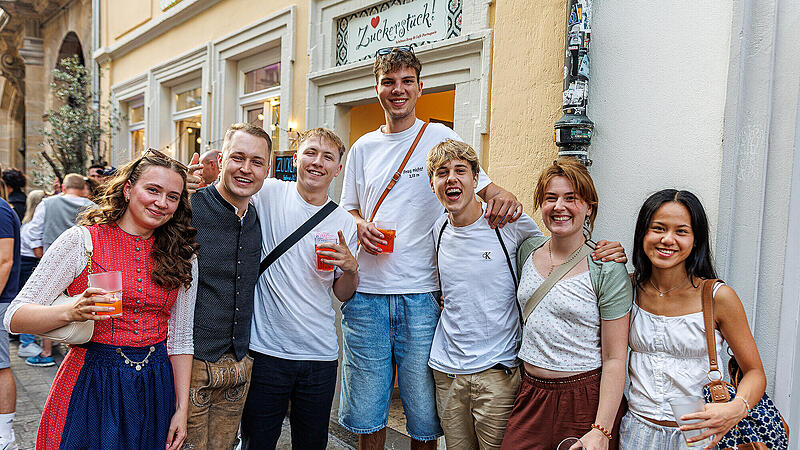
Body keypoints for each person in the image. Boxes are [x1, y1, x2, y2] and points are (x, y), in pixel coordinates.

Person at [339, 46, 522, 450]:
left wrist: (505, 192)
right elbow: (347, 209)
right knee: (369, 414)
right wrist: (359, 223)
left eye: (407, 81)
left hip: (423, 296)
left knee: (425, 416)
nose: (398, 90)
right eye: (389, 82)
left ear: (420, 88)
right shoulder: (363, 148)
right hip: (367, 295)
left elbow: (488, 188)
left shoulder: (441, 136)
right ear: (377, 89)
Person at [3, 149, 199, 450]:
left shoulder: (183, 253)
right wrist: (72, 310)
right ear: (127, 188)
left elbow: (182, 339)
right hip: (92, 380)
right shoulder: (81, 241)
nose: (162, 203)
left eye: (172, 196)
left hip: (155, 385)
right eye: (153, 190)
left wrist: (182, 409)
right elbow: (14, 317)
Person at [619, 189, 767, 450]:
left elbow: (754, 372)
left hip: (700, 437)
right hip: (636, 432)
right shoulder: (627, 289)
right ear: (643, 233)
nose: (668, 239)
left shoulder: (718, 297)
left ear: (696, 240)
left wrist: (735, 409)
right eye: (658, 228)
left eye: (681, 231)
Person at [500, 158, 632, 450]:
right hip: (531, 392)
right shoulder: (527, 251)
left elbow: (614, 359)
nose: (559, 206)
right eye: (551, 198)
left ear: (589, 208)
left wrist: (601, 429)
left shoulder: (606, 268)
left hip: (584, 397)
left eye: (571, 198)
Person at [241, 128, 358, 449]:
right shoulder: (268, 193)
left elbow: (343, 292)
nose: (317, 162)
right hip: (266, 352)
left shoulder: (345, 222)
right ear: (295, 160)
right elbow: (230, 188)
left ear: (338, 169)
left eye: (328, 157)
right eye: (310, 153)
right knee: (257, 442)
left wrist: (350, 268)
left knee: (312, 443)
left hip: (319, 356)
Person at [184, 124, 269, 449]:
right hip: (192, 365)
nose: (246, 168)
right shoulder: (188, 209)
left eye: (256, 161)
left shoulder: (258, 216)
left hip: (238, 366)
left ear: (266, 169)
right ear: (220, 160)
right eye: (238, 157)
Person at [24, 173, 95, 367]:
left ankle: (47, 352)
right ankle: (78, 347)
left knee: (50, 305)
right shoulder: (93, 206)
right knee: (82, 305)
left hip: (53, 264)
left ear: (63, 187)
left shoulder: (47, 203)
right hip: (86, 265)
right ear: (83, 189)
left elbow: (33, 231)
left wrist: (40, 252)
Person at [0, 173, 21, 450]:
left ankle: (5, 436)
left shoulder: (1, 210)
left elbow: (4, 260)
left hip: (1, 298)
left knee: (0, 366)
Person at [15, 190, 48, 359]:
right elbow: (37, 251)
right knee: (31, 303)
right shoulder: (31, 228)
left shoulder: (27, 223)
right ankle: (26, 342)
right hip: (29, 264)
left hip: (26, 263)